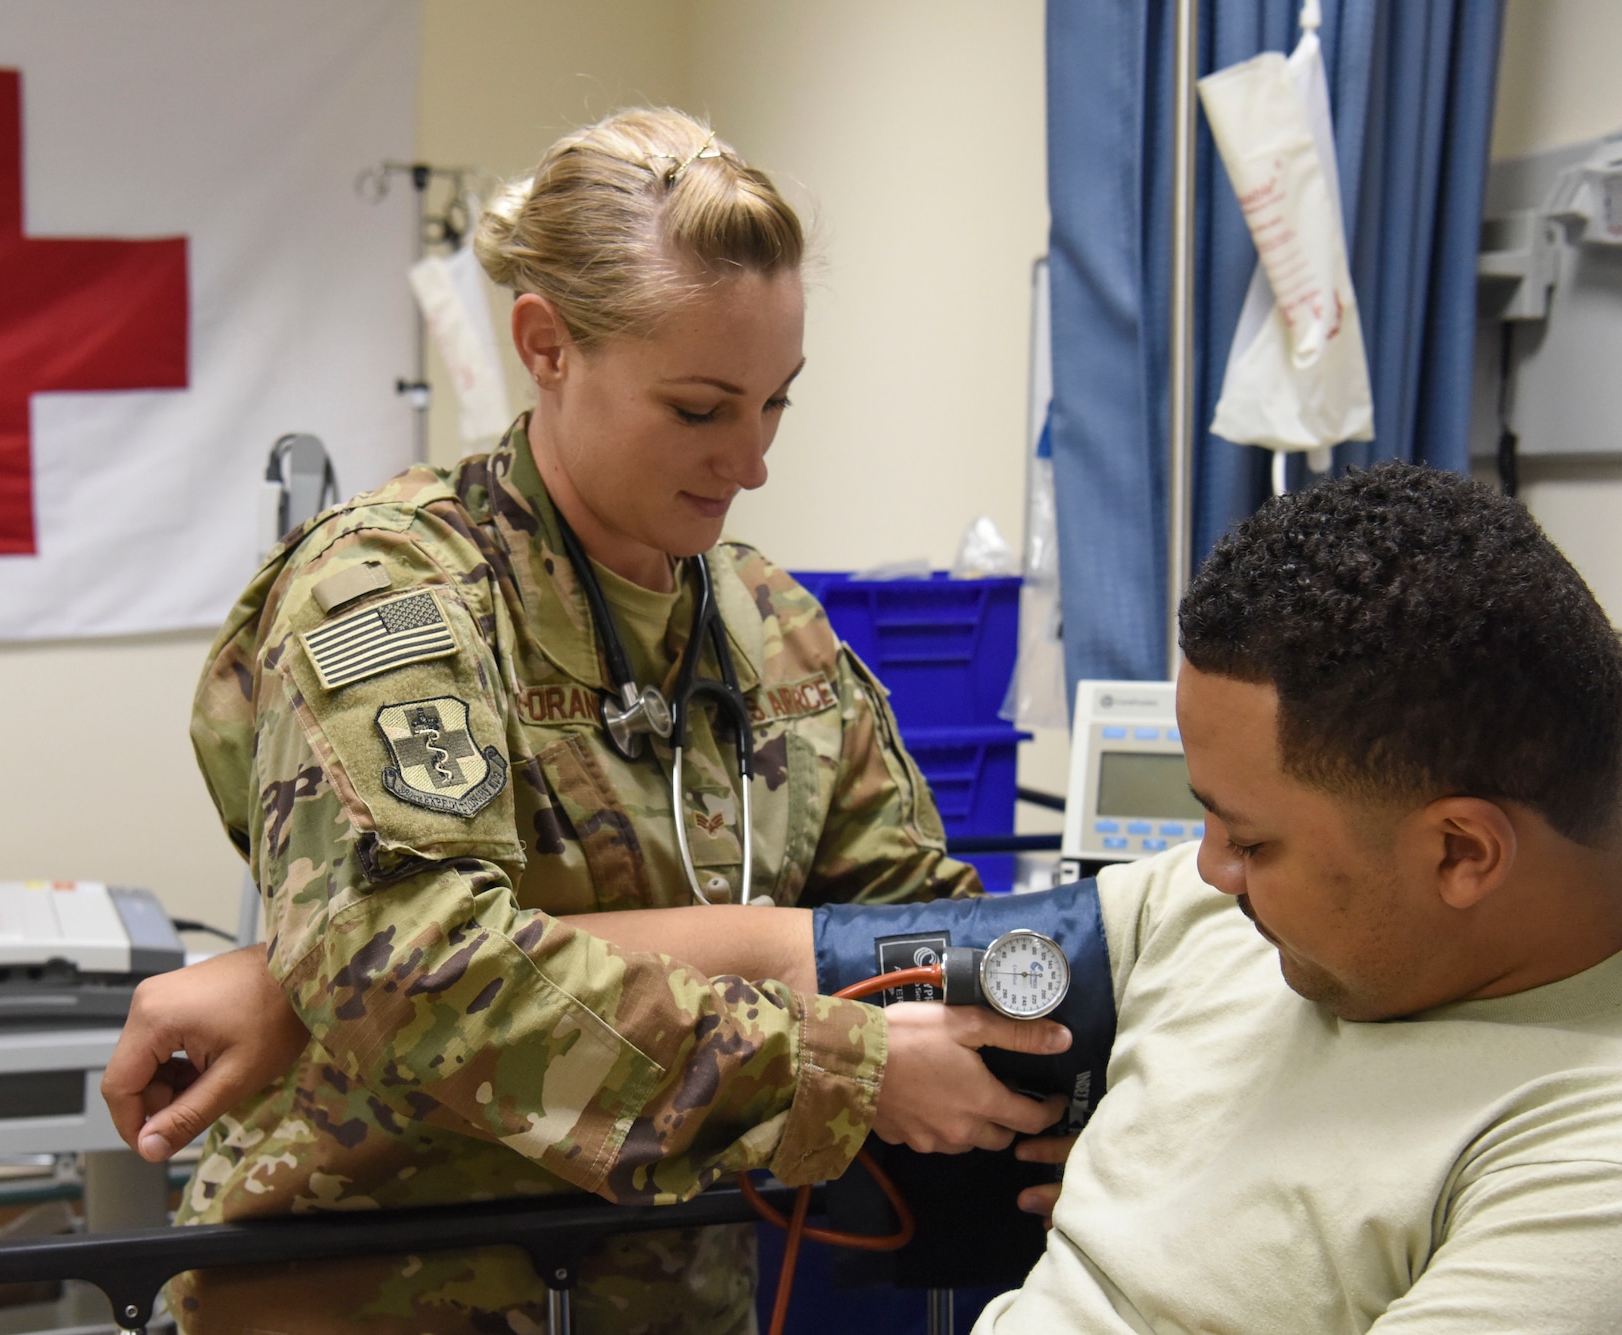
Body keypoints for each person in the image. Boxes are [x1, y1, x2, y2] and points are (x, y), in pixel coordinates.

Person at [102, 107, 1070, 1335]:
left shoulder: (767, 627)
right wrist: (835, 1064)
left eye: (776, 403)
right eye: (699, 408)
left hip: (665, 1293)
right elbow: (417, 971)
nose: (751, 460)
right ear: (546, 344)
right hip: (373, 1288)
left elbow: (910, 924)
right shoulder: (393, 591)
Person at [586, 464, 1622, 1331]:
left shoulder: (1579, 1160)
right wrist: (461, 972)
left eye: (1251, 840)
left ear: (1459, 852)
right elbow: (785, 955)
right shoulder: (1207, 917)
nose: (1209, 868)